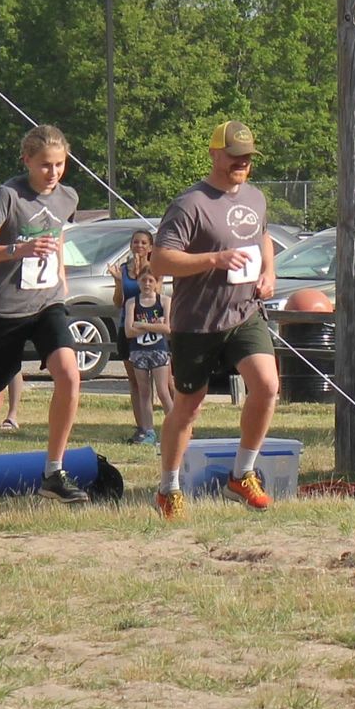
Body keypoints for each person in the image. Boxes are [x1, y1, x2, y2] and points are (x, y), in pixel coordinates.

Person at [0, 124, 89, 535]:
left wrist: (59, 274)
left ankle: (53, 471)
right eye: (45, 165)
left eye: (60, 165)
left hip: (47, 303)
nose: (53, 173)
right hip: (5, 312)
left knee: (70, 374)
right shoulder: (7, 196)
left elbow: (56, 235)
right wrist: (18, 249)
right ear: (26, 160)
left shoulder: (69, 197)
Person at [148, 122, 281, 520]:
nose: (242, 163)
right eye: (235, 155)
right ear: (214, 153)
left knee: (268, 386)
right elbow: (160, 260)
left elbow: (264, 237)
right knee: (188, 407)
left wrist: (269, 273)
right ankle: (168, 487)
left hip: (244, 313)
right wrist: (214, 260)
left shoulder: (255, 198)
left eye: (247, 157)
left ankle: (242, 473)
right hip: (197, 322)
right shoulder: (191, 204)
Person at [108, 229, 166, 445]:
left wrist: (146, 270)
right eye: (135, 242)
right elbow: (117, 302)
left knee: (164, 385)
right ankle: (143, 428)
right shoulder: (123, 270)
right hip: (128, 328)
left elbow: (156, 296)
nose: (139, 246)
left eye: (143, 243)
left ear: (150, 247)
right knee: (135, 382)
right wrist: (118, 282)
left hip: (153, 331)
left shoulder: (156, 269)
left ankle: (178, 425)